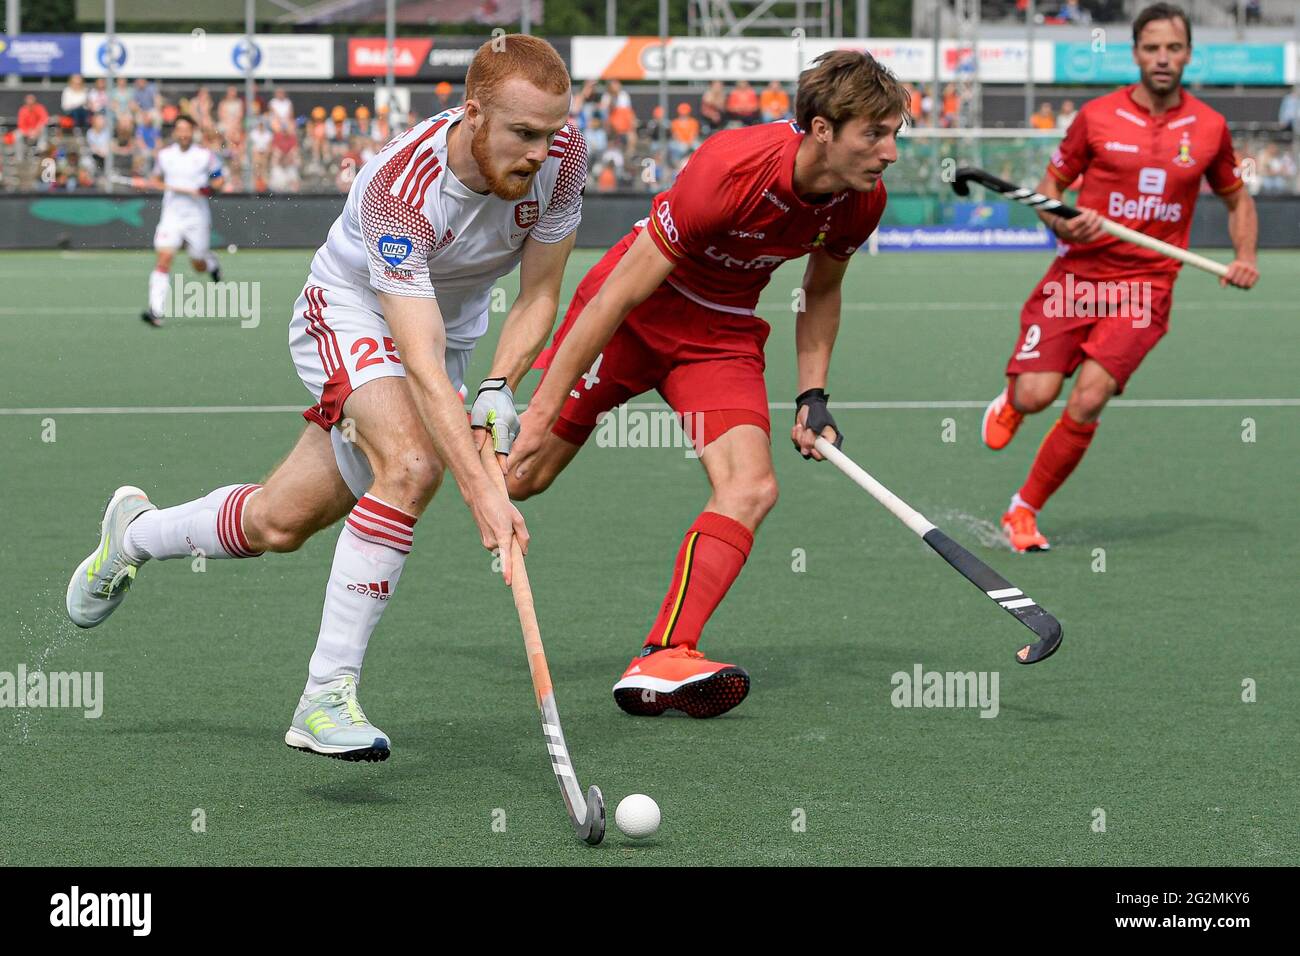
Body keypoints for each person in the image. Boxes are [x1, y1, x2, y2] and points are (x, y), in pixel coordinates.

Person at [65, 36, 587, 764]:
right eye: (523, 133)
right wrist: (484, 499)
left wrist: (500, 385)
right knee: (410, 465)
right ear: (473, 115)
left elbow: (539, 295)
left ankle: (135, 536)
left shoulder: (563, 159)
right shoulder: (399, 186)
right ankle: (324, 697)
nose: (540, 151)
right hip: (354, 312)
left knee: (281, 521)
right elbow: (419, 359)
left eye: (551, 131)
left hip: (450, 337)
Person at [505, 50, 906, 719]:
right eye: (876, 133)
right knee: (521, 476)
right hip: (637, 314)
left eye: (896, 133)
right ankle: (427, 447)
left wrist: (813, 395)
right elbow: (613, 299)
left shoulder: (861, 201)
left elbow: (822, 291)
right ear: (822, 129)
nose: (889, 152)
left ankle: (666, 652)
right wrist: (541, 409)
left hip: (719, 334)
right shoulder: (731, 167)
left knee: (751, 486)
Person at [979, 3, 1259, 552]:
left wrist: (1245, 255)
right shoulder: (1097, 117)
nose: (1163, 58)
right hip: (1079, 274)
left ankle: (1024, 509)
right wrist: (1065, 224)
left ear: (1188, 55)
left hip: (1147, 285)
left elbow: (1236, 198)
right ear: (1135, 53)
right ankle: (1014, 401)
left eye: (1173, 48)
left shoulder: (1209, 128)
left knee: (1087, 400)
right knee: (1037, 395)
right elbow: (1049, 190)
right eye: (1152, 47)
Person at [137, 115, 225, 327]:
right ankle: (156, 310)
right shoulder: (165, 156)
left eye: (187, 130)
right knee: (164, 258)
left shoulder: (205, 156)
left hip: (197, 216)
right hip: (172, 216)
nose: (183, 134)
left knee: (198, 263)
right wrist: (153, 183)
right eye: (180, 130)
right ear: (175, 132)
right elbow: (156, 178)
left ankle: (211, 263)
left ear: (192, 131)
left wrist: (207, 189)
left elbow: (219, 180)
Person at [16, 94, 49, 159]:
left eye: (32, 103)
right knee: (17, 135)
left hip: (38, 132)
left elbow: (44, 119)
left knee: (43, 128)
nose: (30, 105)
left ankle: (41, 151)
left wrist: (36, 130)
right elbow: (21, 125)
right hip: (27, 134)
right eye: (29, 103)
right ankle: (19, 159)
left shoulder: (40, 108)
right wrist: (29, 132)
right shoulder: (23, 110)